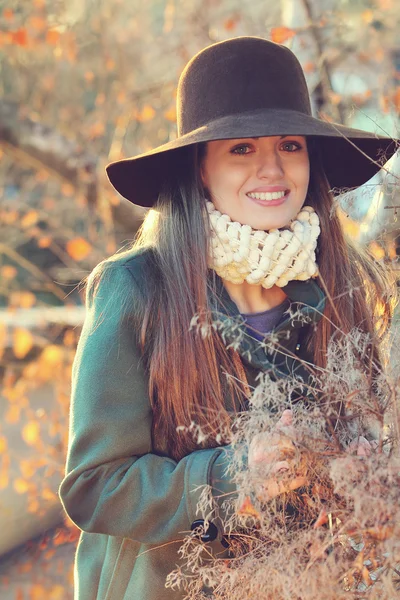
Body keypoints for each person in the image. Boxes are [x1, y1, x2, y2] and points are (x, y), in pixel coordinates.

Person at [58, 36, 397, 599]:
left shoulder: (337, 284)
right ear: (200, 168)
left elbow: (359, 428)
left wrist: (357, 463)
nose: (272, 168)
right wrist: (233, 474)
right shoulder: (137, 288)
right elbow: (94, 487)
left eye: (290, 145)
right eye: (241, 148)